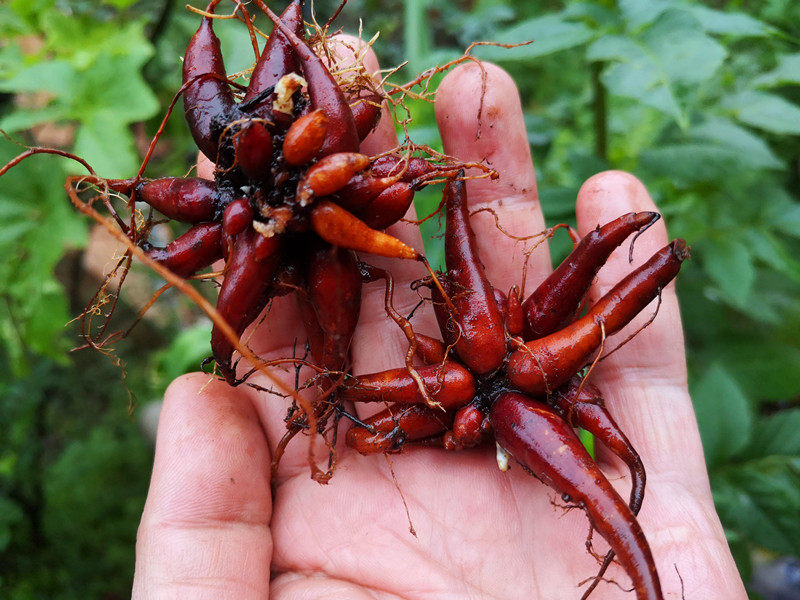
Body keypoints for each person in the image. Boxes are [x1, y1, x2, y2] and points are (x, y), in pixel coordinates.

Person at [131, 40, 747, 599]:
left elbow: (571, 306)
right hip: (470, 372)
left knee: (579, 309)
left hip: (480, 376)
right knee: (574, 314)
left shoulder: (486, 376)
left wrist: (359, 388)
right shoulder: (272, 199)